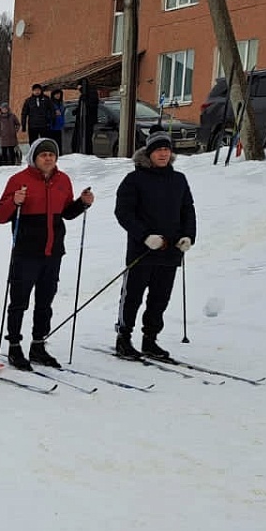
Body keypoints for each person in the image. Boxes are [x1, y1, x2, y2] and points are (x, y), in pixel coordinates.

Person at [0, 137, 93, 371]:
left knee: (45, 302)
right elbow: (0, 215)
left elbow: (66, 212)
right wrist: (14, 201)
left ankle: (38, 344)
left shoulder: (63, 180)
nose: (48, 158)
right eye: (43, 155)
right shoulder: (19, 180)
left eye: (52, 155)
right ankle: (14, 346)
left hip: (53, 252)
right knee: (19, 301)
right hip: (26, 251)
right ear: (34, 158)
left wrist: (82, 203)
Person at [113, 132, 196, 361]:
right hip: (143, 250)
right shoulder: (134, 179)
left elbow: (188, 209)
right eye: (159, 150)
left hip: (170, 250)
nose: (163, 154)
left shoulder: (178, 179)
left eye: (167, 150)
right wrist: (144, 236)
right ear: (149, 153)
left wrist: (188, 236)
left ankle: (150, 339)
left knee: (160, 298)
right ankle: (123, 337)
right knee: (133, 296)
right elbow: (124, 213)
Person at [73, 79, 99, 155]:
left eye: (79, 86)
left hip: (88, 120)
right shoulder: (83, 95)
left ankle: (88, 153)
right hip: (81, 119)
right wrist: (76, 110)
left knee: (87, 139)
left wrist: (86, 101)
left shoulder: (91, 93)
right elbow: (82, 106)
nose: (78, 88)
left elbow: (92, 105)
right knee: (78, 138)